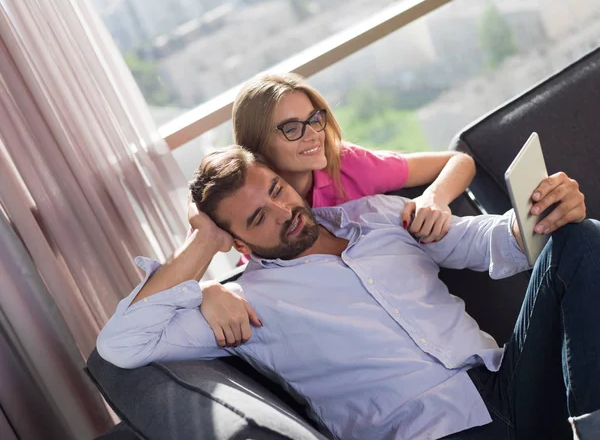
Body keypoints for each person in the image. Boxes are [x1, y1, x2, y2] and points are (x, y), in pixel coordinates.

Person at [98, 146, 598, 440]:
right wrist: (204, 249)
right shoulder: (245, 305)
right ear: (237, 240)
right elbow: (120, 346)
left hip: (507, 381)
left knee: (580, 237)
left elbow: (491, 241)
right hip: (434, 433)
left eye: (275, 189)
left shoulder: (377, 216)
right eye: (256, 219)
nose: (281, 212)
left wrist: (545, 210)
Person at [197, 73, 566, 348]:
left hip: (412, 296)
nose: (311, 134)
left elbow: (458, 162)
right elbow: (220, 239)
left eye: (314, 119)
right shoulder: (257, 207)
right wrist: (208, 289)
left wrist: (433, 198)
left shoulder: (347, 165)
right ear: (257, 145)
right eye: (291, 128)